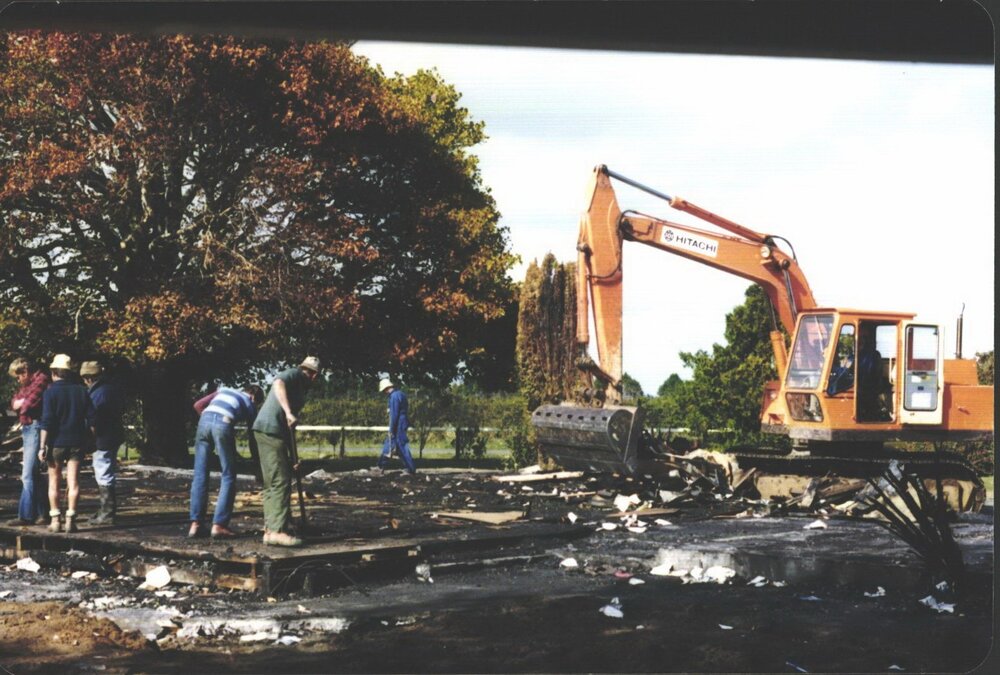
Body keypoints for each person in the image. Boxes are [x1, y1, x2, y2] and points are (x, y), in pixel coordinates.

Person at [250, 357, 320, 547]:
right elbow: (278, 383)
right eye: (314, 375)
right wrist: (289, 412)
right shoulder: (294, 375)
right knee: (280, 481)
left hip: (274, 432)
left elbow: (289, 427)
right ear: (312, 374)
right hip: (270, 430)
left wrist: (292, 457)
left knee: (274, 480)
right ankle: (276, 531)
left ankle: (273, 526)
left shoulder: (300, 388)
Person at [188, 384, 264, 539]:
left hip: (204, 422)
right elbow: (253, 437)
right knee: (228, 474)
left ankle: (195, 525)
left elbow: (198, 405)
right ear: (254, 397)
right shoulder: (249, 403)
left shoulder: (223, 390)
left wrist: (208, 420)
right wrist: (258, 464)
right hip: (223, 422)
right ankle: (219, 525)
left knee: (200, 474)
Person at [38, 354, 94, 533]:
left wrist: (42, 446)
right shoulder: (81, 391)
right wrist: (90, 440)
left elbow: (46, 422)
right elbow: (92, 419)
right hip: (77, 441)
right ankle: (71, 519)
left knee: (54, 482)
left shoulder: (50, 392)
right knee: (74, 482)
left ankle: (55, 521)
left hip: (56, 443)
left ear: (54, 372)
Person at [80, 361, 126, 525]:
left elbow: (95, 417)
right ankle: (105, 509)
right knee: (104, 470)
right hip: (111, 436)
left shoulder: (99, 393)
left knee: (103, 472)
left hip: (103, 437)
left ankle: (107, 512)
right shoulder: (109, 389)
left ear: (89, 377)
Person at [7, 358, 50, 525]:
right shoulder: (29, 384)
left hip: (35, 426)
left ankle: (25, 515)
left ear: (24, 372)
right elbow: (14, 403)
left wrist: (21, 403)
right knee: (34, 474)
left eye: (18, 377)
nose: (18, 381)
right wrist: (20, 402)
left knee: (27, 475)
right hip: (28, 427)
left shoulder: (42, 379)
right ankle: (43, 513)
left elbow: (27, 405)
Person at [377, 378, 417, 475]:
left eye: (384, 391)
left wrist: (391, 428)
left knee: (399, 445)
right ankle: (381, 465)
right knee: (395, 445)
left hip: (398, 424)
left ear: (386, 388)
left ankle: (410, 468)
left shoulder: (394, 397)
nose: (384, 393)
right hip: (402, 422)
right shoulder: (401, 394)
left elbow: (394, 414)